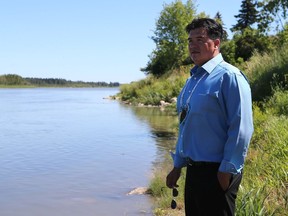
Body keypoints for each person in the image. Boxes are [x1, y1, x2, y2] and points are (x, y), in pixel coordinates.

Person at [166, 18, 254, 216]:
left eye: (199, 39)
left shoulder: (230, 77)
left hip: (218, 172)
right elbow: (186, 125)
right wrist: (177, 165)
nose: (193, 45)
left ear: (216, 43)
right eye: (190, 40)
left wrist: (226, 171)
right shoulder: (192, 80)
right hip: (194, 171)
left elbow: (241, 128)